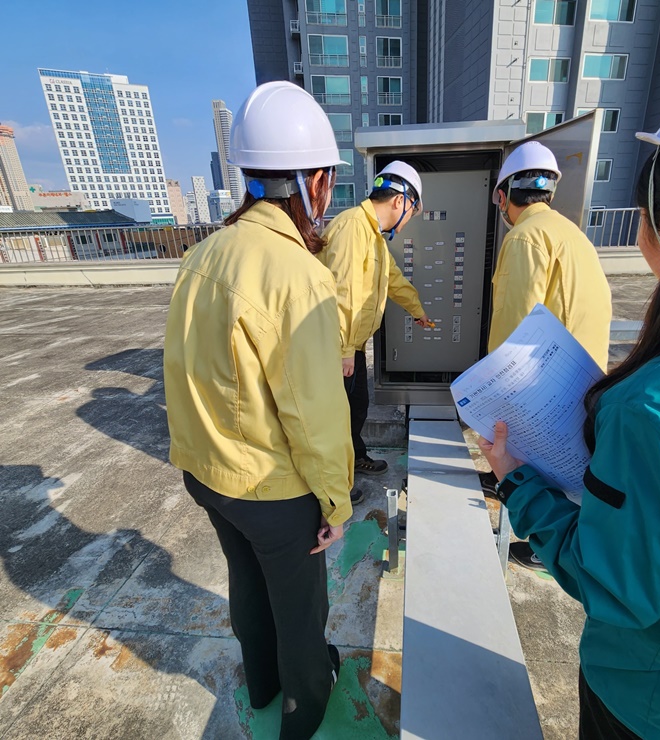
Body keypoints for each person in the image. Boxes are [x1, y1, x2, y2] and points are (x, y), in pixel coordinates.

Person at [478, 56, 660, 739]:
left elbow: (509, 347)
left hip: (657, 702)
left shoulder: (657, 408)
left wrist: (511, 473)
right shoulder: (571, 233)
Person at [163, 81, 354, 740]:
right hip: (273, 491)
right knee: (301, 611)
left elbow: (182, 371)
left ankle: (264, 681)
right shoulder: (298, 274)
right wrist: (336, 501)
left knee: (246, 584)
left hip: (208, 476)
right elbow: (315, 412)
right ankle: (305, 713)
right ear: (318, 182)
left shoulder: (200, 256)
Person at [481, 141, 612, 571]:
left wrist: (488, 399)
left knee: (541, 457)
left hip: (548, 381)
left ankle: (544, 544)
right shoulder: (573, 234)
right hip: (587, 377)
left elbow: (513, 333)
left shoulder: (524, 237)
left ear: (503, 195)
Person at [319, 161, 432, 481]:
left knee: (356, 409)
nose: (408, 220)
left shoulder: (373, 236)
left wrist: (417, 311)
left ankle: (354, 459)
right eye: (412, 211)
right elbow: (343, 294)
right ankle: (333, 482)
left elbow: (393, 280)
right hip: (336, 345)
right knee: (335, 417)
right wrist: (345, 349)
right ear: (400, 201)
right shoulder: (354, 227)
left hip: (350, 345)